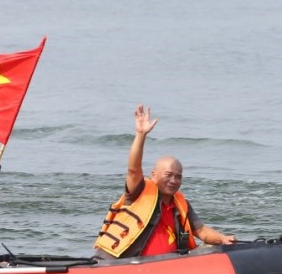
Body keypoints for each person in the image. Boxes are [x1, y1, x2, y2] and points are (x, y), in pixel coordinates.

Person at [94, 105, 235, 259]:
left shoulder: (181, 205)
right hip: (126, 267)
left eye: (178, 177)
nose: (173, 181)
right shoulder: (139, 192)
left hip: (168, 269)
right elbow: (133, 170)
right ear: (153, 175)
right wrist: (141, 135)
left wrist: (222, 238)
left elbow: (200, 230)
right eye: (168, 175)